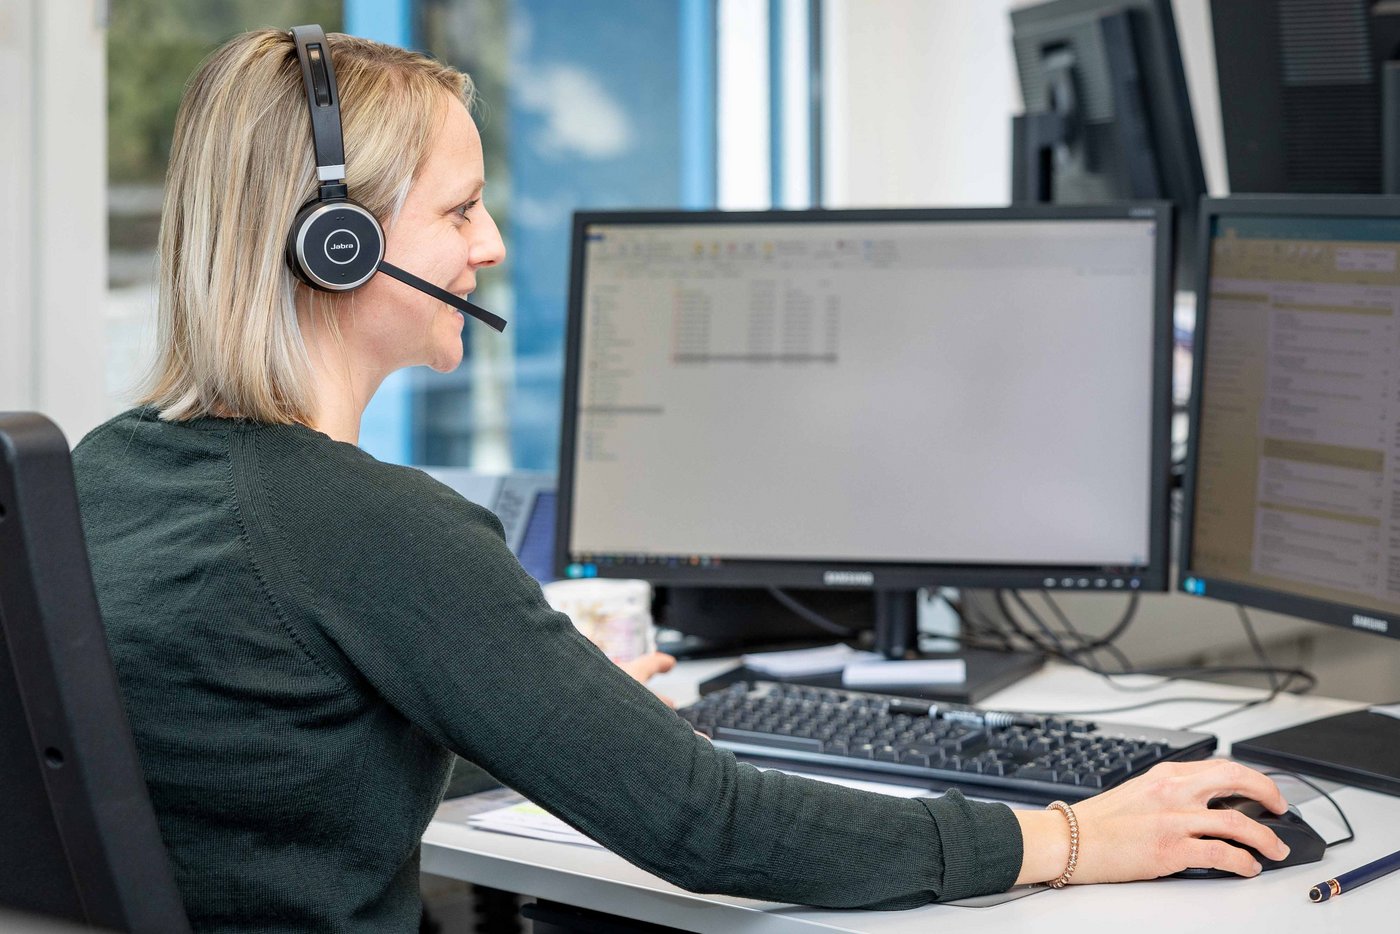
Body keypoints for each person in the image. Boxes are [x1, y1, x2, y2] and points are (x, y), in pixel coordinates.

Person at [72, 28, 1293, 932]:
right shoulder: (369, 525)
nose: (492, 245)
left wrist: (546, 710)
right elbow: (708, 827)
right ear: (335, 246)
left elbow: (265, 754)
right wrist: (1071, 835)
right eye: (461, 210)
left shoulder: (106, 471)